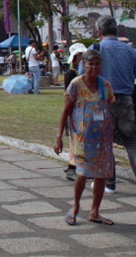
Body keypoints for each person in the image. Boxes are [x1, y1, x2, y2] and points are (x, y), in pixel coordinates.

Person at [54, 49, 115, 226]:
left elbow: (110, 108)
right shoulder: (76, 85)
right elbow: (65, 112)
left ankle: (95, 212)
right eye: (91, 64)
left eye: (98, 64)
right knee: (82, 172)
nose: (94, 67)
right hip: (82, 138)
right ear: (84, 65)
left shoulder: (105, 86)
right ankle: (75, 206)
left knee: (101, 174)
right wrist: (59, 137)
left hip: (102, 139)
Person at [94, 16, 136, 194]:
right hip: (127, 100)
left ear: (99, 32)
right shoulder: (129, 50)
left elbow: (84, 73)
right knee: (132, 142)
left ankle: (109, 183)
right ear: (118, 30)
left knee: (106, 143)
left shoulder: (97, 48)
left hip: (104, 101)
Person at [62, 42, 88, 180]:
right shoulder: (71, 74)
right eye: (80, 55)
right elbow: (69, 95)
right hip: (76, 111)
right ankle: (73, 167)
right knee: (76, 140)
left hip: (87, 110)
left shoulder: (86, 70)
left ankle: (77, 167)